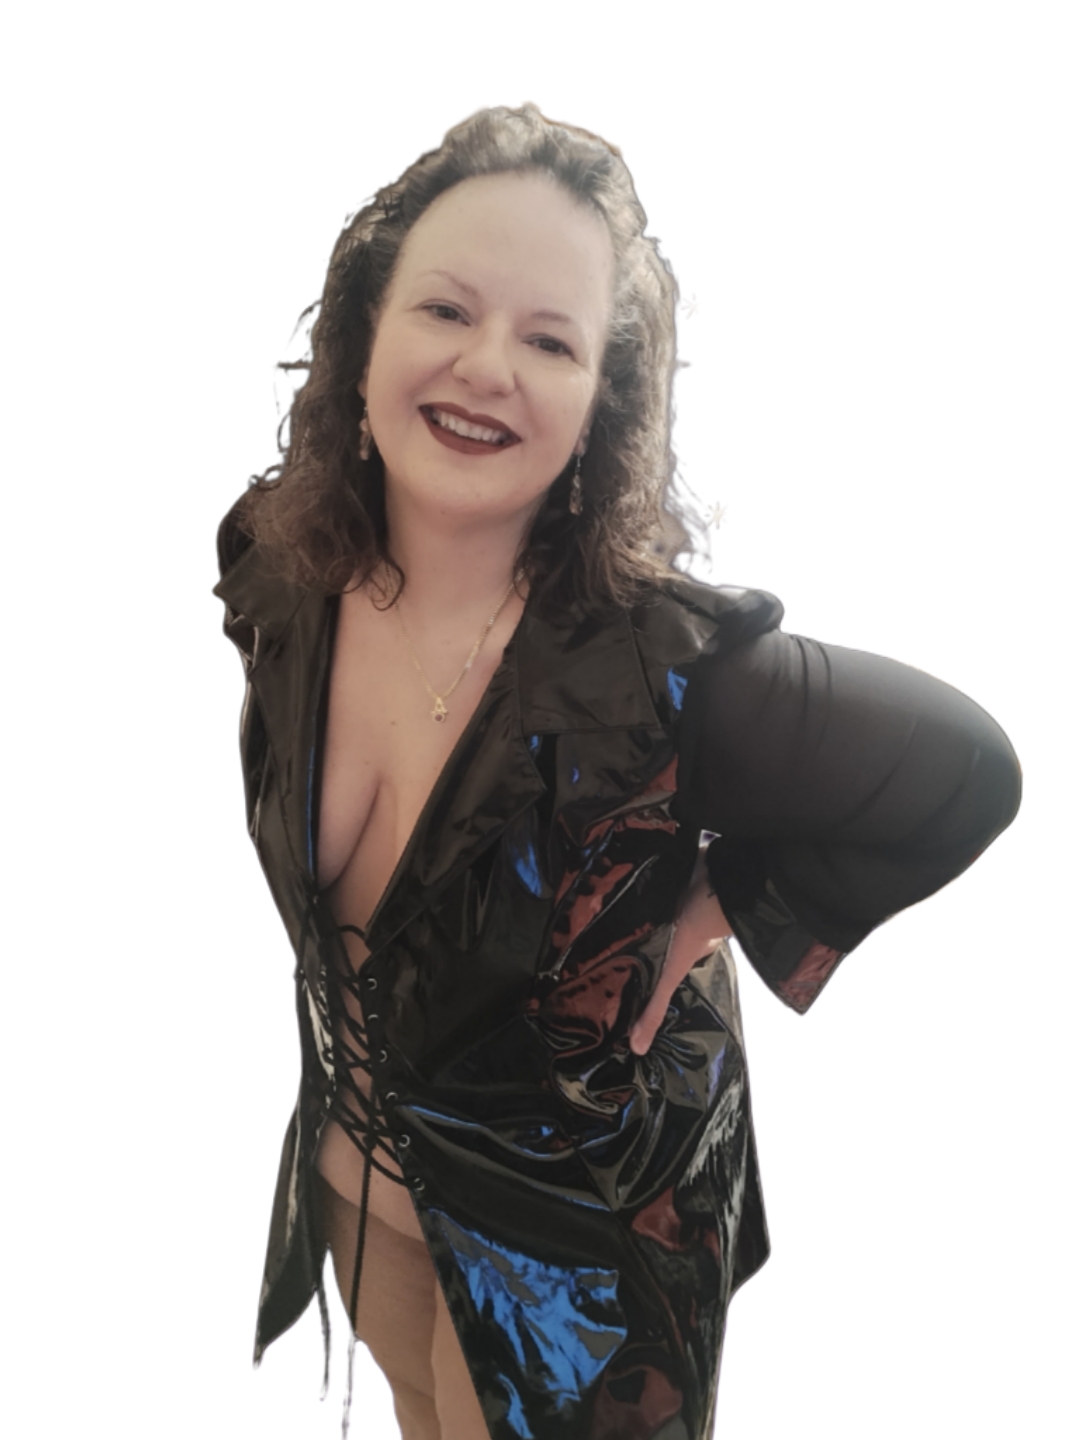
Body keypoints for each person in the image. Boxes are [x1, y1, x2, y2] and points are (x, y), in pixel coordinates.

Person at [214, 104, 1021, 1440]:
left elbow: (965, 771)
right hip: (364, 1183)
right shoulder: (282, 568)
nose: (487, 366)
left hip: (576, 1254)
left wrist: (724, 907)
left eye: (550, 341)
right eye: (446, 310)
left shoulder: (668, 676)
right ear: (363, 338)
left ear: (601, 400)